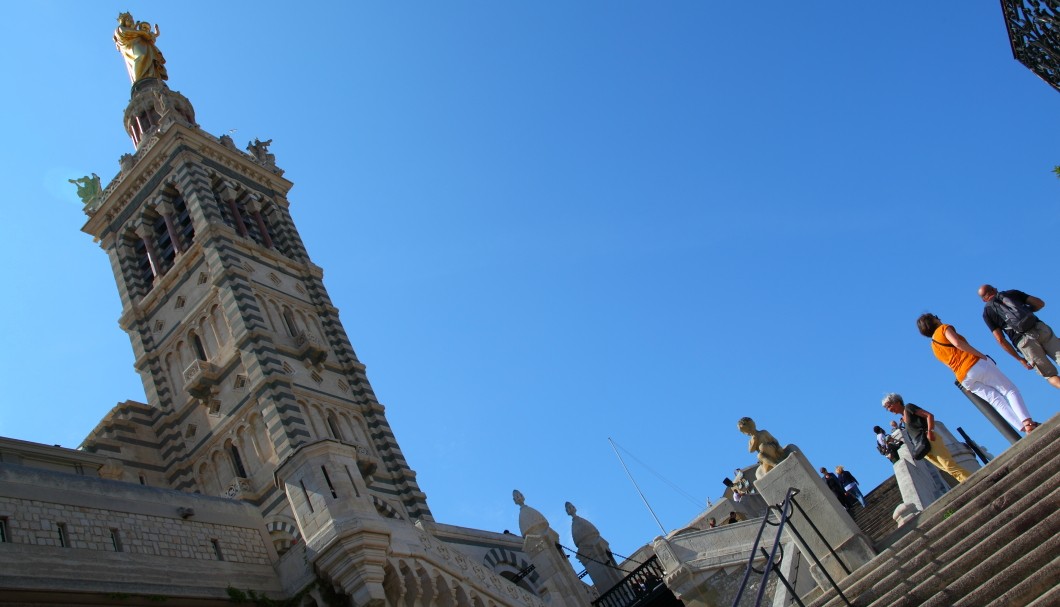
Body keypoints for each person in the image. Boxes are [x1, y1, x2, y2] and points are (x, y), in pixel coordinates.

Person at [916, 313, 1040, 433]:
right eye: (936, 317)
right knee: (1009, 390)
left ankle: (1024, 428)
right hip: (973, 363)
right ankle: (1028, 423)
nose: (939, 318)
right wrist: (982, 356)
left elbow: (948, 365)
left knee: (995, 401)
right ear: (933, 321)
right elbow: (958, 343)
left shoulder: (933, 347)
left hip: (963, 377)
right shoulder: (943, 329)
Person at [979, 284, 1060, 392]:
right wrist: (1029, 311)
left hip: (1024, 342)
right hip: (1039, 328)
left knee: (1050, 375)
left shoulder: (987, 313)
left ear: (984, 300)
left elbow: (1000, 340)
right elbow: (1040, 303)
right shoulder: (1011, 293)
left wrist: (1019, 359)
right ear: (994, 289)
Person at [882, 393, 971, 483]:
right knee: (945, 469)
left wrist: (930, 431)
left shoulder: (909, 408)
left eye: (889, 406)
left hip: (930, 439)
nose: (889, 409)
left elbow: (929, 416)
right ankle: (966, 481)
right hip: (922, 447)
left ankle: (970, 480)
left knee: (949, 465)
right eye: (887, 408)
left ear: (897, 402)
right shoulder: (902, 420)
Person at [113, 12, 168, 84]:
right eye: (128, 19)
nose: (131, 20)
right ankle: (138, 81)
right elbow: (125, 32)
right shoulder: (120, 28)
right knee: (141, 56)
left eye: (131, 19)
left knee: (151, 61)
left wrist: (152, 34)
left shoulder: (137, 32)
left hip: (144, 46)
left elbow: (151, 36)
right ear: (123, 21)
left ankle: (152, 77)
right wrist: (141, 33)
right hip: (131, 46)